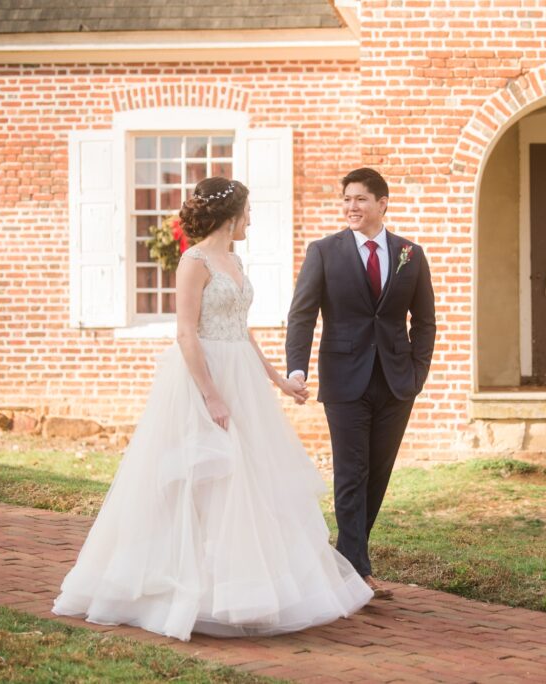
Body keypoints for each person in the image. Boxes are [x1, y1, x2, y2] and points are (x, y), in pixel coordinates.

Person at [52, 177, 373, 642]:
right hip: (202, 378)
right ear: (230, 215)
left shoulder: (234, 259)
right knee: (204, 481)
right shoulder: (194, 260)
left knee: (250, 483)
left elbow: (241, 330)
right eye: (247, 212)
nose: (251, 219)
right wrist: (211, 395)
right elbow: (186, 333)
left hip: (241, 374)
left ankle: (246, 590)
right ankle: (185, 592)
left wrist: (279, 380)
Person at [286, 168, 436, 599]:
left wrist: (417, 375)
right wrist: (298, 368)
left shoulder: (411, 253)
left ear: (382, 203)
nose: (352, 207)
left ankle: (348, 559)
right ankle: (354, 571)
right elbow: (302, 314)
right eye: (347, 199)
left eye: (361, 200)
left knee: (378, 473)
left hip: (395, 382)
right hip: (344, 380)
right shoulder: (324, 252)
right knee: (352, 472)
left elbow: (424, 322)